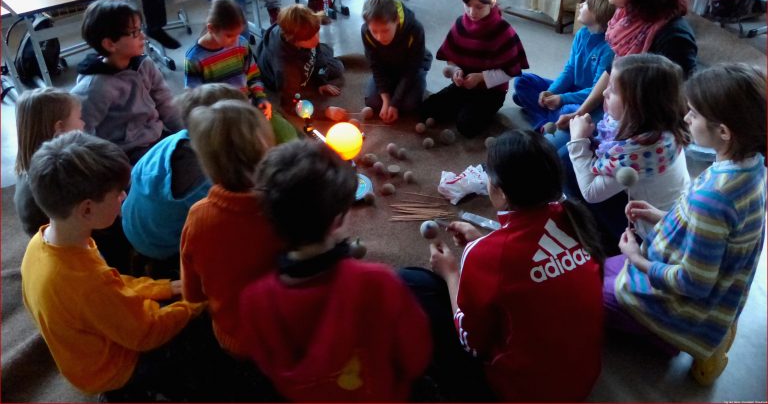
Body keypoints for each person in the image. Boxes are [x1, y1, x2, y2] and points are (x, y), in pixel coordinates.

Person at [403, 130, 604, 402]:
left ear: (500, 190)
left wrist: (451, 272)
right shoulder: (573, 219)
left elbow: (472, 343)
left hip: (520, 393)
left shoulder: (487, 254)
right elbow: (528, 263)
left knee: (413, 283)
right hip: (581, 380)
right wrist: (486, 245)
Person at [604, 64, 766, 386]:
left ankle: (680, 339)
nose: (686, 117)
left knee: (588, 293)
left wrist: (637, 258)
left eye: (693, 112)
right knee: (603, 267)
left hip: (686, 301)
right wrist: (662, 215)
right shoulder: (750, 164)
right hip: (710, 280)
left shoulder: (716, 198)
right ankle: (714, 329)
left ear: (724, 131)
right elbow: (716, 234)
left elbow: (693, 283)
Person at [20, 131, 212, 400]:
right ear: (86, 210)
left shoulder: (45, 242)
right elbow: (147, 333)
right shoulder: (87, 284)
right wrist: (194, 302)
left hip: (84, 348)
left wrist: (165, 287)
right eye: (117, 194)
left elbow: (114, 281)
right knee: (199, 344)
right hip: (114, 369)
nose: (124, 196)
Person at [239, 139, 432, 401]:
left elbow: (269, 369)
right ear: (339, 218)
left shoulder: (254, 302)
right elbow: (416, 358)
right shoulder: (380, 284)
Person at [555, 0, 697, 132]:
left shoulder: (674, 38)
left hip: (641, 127)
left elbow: (670, 107)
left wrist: (603, 136)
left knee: (561, 153)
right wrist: (580, 111)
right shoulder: (626, 16)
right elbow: (611, 70)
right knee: (558, 139)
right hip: (613, 109)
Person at [180, 99, 282, 358]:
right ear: (265, 149)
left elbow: (191, 293)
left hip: (232, 337)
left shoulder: (198, 216)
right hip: (286, 332)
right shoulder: (286, 207)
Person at [121, 84, 248, 279]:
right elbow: (227, 220)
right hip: (158, 246)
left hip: (131, 224)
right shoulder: (207, 178)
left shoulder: (176, 139)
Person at [567, 53, 691, 245]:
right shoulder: (660, 121)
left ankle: (604, 242)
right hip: (669, 207)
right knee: (568, 159)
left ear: (638, 104)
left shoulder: (640, 150)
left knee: (567, 166)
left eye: (613, 90)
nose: (604, 93)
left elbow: (591, 193)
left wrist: (578, 139)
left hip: (652, 230)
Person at [71, 0, 183, 165]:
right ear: (110, 44)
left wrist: (186, 133)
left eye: (140, 29)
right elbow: (80, 132)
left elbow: (166, 104)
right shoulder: (95, 87)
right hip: (127, 154)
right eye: (135, 33)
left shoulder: (145, 64)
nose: (143, 36)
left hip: (158, 137)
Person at [421, 0, 529, 138]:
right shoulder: (460, 24)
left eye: (479, 7)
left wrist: (481, 78)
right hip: (463, 86)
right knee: (426, 110)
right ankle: (462, 107)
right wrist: (456, 71)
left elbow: (510, 71)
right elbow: (450, 59)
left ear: (493, 2)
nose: (472, 12)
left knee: (467, 126)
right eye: (468, 5)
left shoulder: (503, 31)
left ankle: (471, 111)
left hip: (491, 92)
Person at [185, 0, 297, 143]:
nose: (234, 41)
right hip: (221, 119)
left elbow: (253, 76)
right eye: (229, 36)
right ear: (211, 28)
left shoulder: (241, 44)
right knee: (251, 148)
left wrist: (260, 98)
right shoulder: (195, 58)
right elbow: (195, 98)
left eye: (238, 34)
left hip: (249, 107)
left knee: (288, 135)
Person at [513, 0, 615, 146]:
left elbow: (595, 91)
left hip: (584, 101)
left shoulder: (608, 49)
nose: (580, 5)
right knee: (522, 81)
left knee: (568, 111)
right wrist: (552, 91)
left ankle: (544, 116)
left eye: (586, 4)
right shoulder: (582, 33)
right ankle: (544, 122)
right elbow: (570, 70)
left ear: (598, 13)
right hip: (570, 90)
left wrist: (562, 99)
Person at [14, 88, 84, 237]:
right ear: (59, 127)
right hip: (63, 241)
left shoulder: (29, 159)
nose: (83, 123)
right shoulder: (56, 173)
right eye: (79, 118)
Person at [255, 4, 344, 111]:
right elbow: (290, 104)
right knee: (298, 86)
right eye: (309, 38)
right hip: (285, 73)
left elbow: (317, 52)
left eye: (317, 33)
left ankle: (314, 72)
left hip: (301, 57)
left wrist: (321, 81)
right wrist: (325, 112)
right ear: (293, 40)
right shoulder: (284, 67)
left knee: (337, 66)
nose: (316, 40)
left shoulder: (305, 32)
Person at [361, 0, 433, 124]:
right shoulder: (366, 32)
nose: (379, 37)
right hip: (387, 67)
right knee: (372, 102)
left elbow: (412, 69)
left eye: (385, 30)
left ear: (397, 20)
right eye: (374, 31)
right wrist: (386, 100)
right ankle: (393, 90)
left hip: (412, 69)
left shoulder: (415, 29)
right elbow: (375, 66)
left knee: (409, 105)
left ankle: (418, 84)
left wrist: (394, 103)